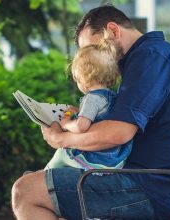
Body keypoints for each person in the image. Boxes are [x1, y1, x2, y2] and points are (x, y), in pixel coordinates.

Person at [11, 5, 170, 220]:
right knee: (46, 193)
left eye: (93, 49)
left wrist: (61, 139)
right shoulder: (153, 57)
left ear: (114, 31)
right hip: (161, 183)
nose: (91, 59)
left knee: (26, 191)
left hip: (160, 189)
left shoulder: (150, 57)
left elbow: (117, 133)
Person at [45, 33, 132, 170]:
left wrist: (67, 124)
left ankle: (44, 173)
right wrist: (78, 112)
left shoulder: (92, 98)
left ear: (82, 77)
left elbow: (81, 127)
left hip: (98, 159)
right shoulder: (112, 96)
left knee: (62, 153)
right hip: (115, 158)